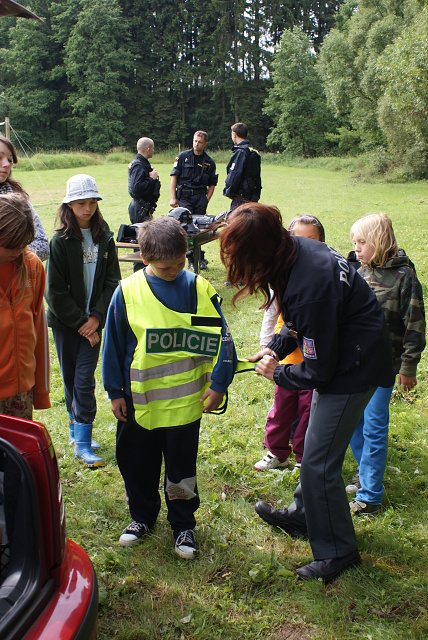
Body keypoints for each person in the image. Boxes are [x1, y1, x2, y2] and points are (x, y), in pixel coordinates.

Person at [219, 202, 394, 583]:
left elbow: (319, 370)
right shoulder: (295, 250)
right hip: (345, 352)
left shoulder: (309, 282)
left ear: (259, 251)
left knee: (318, 463)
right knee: (317, 446)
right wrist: (276, 348)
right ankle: (304, 515)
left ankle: (338, 551)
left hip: (353, 369)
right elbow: (299, 320)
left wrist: (278, 372)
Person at [102, 216, 236, 559]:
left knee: (181, 469)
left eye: (181, 263)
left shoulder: (199, 289)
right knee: (137, 464)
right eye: (166, 267)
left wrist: (219, 383)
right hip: (138, 404)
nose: (175, 271)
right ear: (145, 258)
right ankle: (142, 517)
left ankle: (183, 524)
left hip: (184, 405)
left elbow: (222, 339)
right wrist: (114, 391)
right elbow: (112, 345)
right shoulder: (127, 292)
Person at [346, 213, 425, 514]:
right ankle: (364, 474)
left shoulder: (404, 277)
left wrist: (408, 367)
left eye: (362, 242)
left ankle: (370, 496)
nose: (356, 248)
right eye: (354, 242)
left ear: (379, 242)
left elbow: (414, 324)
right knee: (353, 423)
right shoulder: (358, 271)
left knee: (374, 426)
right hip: (355, 365)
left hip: (384, 367)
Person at [45, 174, 121, 468]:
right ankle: (75, 431)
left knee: (84, 380)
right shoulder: (59, 241)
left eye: (91, 202)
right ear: (69, 205)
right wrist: (81, 322)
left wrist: (96, 318)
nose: (87, 208)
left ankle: (84, 444)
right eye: (80, 203)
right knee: (69, 377)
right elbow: (54, 291)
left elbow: (112, 282)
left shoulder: (106, 237)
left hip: (94, 324)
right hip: (67, 325)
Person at [255, 215, 325, 472]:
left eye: (312, 239)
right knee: (281, 410)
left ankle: (303, 458)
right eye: (298, 239)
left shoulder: (322, 276)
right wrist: (267, 346)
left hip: (311, 365)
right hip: (284, 361)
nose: (305, 245)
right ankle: (276, 452)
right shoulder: (284, 276)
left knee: (308, 414)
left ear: (322, 243)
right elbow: (271, 313)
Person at [0, 193, 50, 419]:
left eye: (23, 244)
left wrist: (40, 392)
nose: (17, 251)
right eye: (11, 245)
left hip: (21, 394)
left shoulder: (32, 266)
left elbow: (38, 329)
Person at [170, 131, 218, 270]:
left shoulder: (209, 162)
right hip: (184, 198)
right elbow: (174, 177)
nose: (197, 144)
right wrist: (173, 197)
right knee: (186, 228)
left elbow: (212, 184)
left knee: (200, 229)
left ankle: (199, 256)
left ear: (205, 143)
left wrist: (206, 200)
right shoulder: (182, 157)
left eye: (200, 142)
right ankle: (191, 258)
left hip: (200, 198)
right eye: (195, 141)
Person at [0, 134, 49, 261]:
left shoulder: (18, 200)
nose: (7, 164)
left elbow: (43, 247)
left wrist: (15, 250)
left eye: (10, 160)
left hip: (16, 272)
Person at [223, 122, 261, 211]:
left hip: (240, 199)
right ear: (246, 135)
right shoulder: (253, 152)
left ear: (234, 134)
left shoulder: (241, 153)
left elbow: (234, 175)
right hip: (253, 199)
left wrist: (228, 192)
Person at [128, 137, 160, 224]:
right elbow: (136, 188)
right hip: (140, 209)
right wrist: (151, 179)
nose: (153, 150)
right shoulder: (138, 166)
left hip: (143, 208)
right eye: (153, 148)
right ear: (148, 149)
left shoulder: (141, 164)